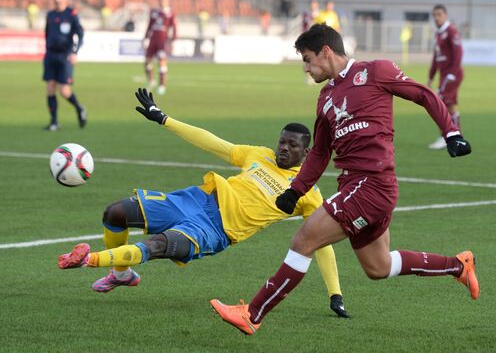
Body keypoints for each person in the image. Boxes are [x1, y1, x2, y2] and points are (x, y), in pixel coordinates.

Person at [210, 23, 477, 335]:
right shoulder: (325, 98)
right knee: (379, 268)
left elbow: (422, 94)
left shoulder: (376, 71)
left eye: (308, 60)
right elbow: (320, 153)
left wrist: (451, 133)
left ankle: (252, 314)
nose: (307, 69)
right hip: (356, 187)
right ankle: (459, 266)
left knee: (303, 240)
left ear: (326, 51)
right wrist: (295, 191)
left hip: (372, 183)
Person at [57, 88, 350, 318]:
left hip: (215, 231)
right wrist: (164, 119)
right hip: (196, 199)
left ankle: (88, 260)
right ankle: (121, 274)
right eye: (281, 142)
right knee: (115, 213)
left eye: (292, 145)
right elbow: (213, 142)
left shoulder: (307, 191)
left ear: (307, 151)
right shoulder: (258, 155)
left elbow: (320, 243)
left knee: (159, 245)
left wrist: (334, 293)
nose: (283, 149)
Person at [42, 0, 86, 131]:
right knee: (50, 88)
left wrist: (75, 52)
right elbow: (47, 34)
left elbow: (80, 35)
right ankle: (54, 122)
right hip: (50, 55)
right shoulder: (50, 15)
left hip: (65, 56)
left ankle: (79, 108)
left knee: (64, 91)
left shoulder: (71, 14)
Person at [427, 4, 464, 150]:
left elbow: (458, 53)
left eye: (439, 15)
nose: (436, 18)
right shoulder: (438, 33)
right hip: (444, 75)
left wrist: (452, 74)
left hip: (451, 75)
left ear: (446, 15)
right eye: (434, 15)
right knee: (450, 105)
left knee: (439, 103)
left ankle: (446, 137)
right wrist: (431, 76)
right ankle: (457, 136)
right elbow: (436, 58)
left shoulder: (451, 31)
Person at [144, 0, 177, 96]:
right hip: (153, 39)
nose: (163, 2)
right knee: (147, 61)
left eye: (165, 0)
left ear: (168, 1)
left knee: (162, 62)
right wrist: (146, 37)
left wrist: (173, 40)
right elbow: (150, 24)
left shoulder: (170, 13)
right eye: (161, 0)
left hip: (163, 40)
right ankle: (151, 81)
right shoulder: (154, 12)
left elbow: (174, 27)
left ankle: (162, 86)